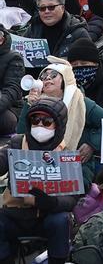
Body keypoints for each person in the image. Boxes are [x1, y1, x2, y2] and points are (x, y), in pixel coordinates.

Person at [0, 98, 80, 264]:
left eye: (47, 121)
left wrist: (52, 202)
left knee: (61, 219)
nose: (40, 125)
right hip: (14, 214)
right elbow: (2, 159)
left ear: (58, 125)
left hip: (46, 218)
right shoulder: (16, 144)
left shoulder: (66, 155)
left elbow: (73, 198)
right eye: (35, 120)